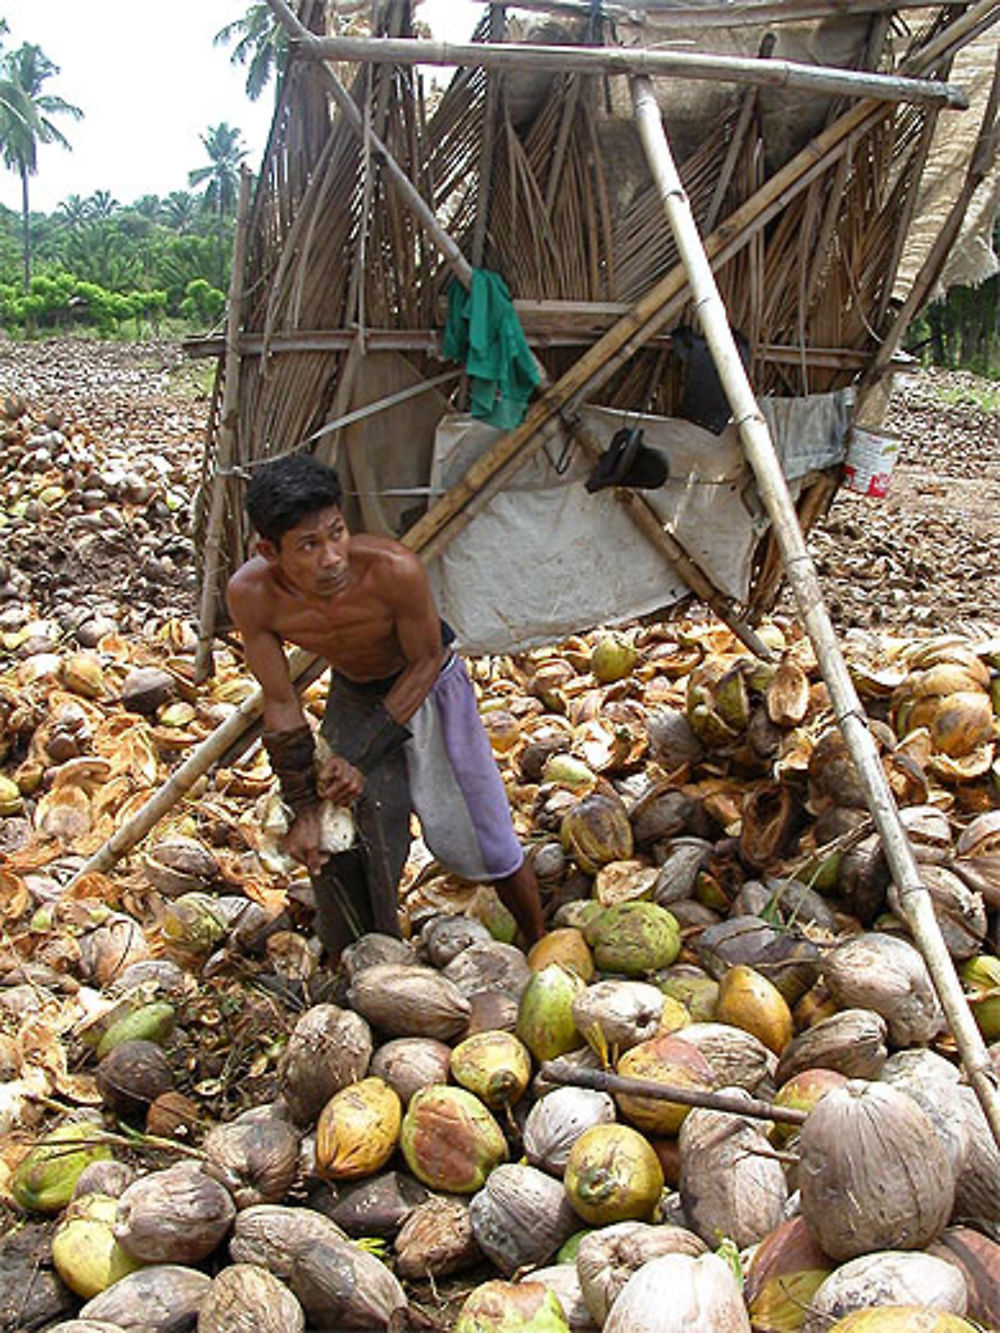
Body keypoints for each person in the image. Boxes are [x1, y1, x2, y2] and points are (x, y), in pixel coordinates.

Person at [226, 452, 546, 960]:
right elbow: (281, 699)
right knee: (343, 833)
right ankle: (362, 957)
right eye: (309, 545)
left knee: (483, 832)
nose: (332, 557)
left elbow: (424, 661)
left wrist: (362, 753)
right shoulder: (251, 594)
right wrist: (303, 804)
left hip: (431, 689)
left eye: (336, 532)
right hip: (354, 692)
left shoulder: (394, 569)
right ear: (269, 550)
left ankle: (542, 943)